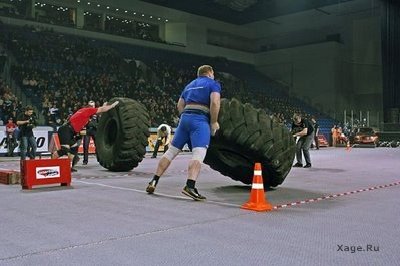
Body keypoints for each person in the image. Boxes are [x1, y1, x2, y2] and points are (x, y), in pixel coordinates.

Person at [146, 65, 221, 200]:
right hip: (200, 119)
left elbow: (179, 104)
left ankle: (154, 181)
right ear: (210, 73)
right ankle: (190, 186)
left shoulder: (189, 85)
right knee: (198, 154)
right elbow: (215, 102)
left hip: (185, 118)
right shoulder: (213, 84)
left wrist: (185, 118)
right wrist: (214, 122)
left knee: (170, 152)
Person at [52, 101, 119, 172]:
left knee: (74, 148)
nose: (94, 109)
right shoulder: (89, 110)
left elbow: (79, 127)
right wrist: (111, 106)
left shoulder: (82, 111)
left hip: (69, 131)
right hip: (66, 130)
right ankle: (51, 164)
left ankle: (69, 166)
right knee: (64, 150)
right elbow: (101, 110)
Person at [82, 100, 98, 165]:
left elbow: (99, 122)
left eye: (93, 105)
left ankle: (99, 158)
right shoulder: (85, 112)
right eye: (90, 105)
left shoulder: (97, 112)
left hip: (94, 130)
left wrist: (95, 126)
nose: (92, 107)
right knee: (85, 146)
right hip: (87, 130)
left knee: (97, 145)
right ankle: (85, 161)